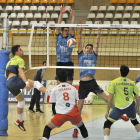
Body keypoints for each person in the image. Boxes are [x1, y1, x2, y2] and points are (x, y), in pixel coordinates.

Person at [72, 20, 129, 138]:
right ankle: (75, 129)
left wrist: (99, 30)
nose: (88, 49)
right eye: (87, 48)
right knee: (79, 107)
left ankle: (120, 114)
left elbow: (97, 43)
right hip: (83, 84)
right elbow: (80, 42)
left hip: (92, 82)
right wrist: (80, 31)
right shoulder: (80, 54)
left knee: (107, 99)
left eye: (90, 48)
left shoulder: (94, 55)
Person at [35, 70, 89, 140]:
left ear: (58, 79)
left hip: (61, 115)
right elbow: (76, 101)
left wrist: (54, 114)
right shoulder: (73, 89)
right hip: (73, 114)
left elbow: (53, 104)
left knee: (47, 128)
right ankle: (87, 138)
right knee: (81, 127)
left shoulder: (55, 89)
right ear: (67, 78)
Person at [104, 65, 140, 140]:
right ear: (128, 73)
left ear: (119, 72)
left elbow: (110, 99)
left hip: (119, 108)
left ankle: (106, 138)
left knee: (107, 124)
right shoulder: (131, 83)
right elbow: (137, 98)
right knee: (134, 121)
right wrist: (137, 108)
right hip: (130, 106)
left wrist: (107, 111)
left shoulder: (114, 82)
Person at [5, 44, 31, 131]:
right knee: (35, 83)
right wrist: (26, 83)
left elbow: (6, 76)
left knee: (22, 100)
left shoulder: (9, 62)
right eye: (20, 49)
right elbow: (21, 73)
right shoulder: (20, 60)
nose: (22, 51)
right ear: (16, 52)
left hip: (8, 83)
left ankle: (19, 121)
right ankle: (50, 93)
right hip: (13, 81)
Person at [55, 4, 75, 85]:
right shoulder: (58, 36)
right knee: (59, 83)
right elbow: (58, 27)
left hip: (68, 63)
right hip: (59, 62)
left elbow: (72, 27)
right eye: (65, 30)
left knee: (69, 83)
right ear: (62, 31)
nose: (67, 31)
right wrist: (61, 13)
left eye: (67, 30)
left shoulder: (70, 38)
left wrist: (73, 16)